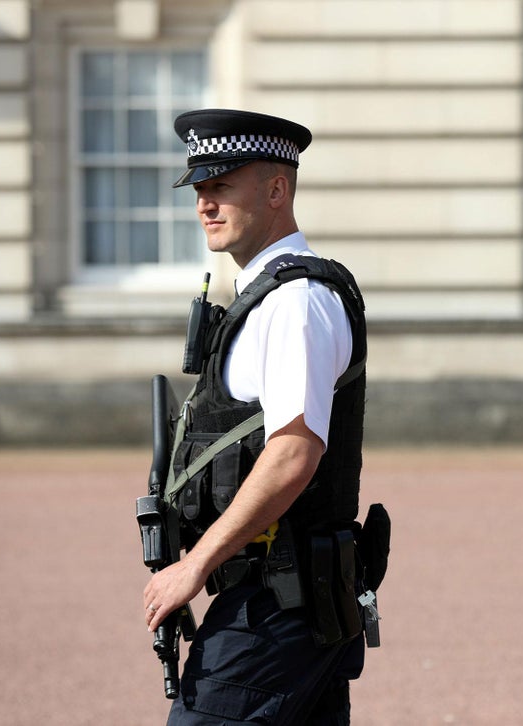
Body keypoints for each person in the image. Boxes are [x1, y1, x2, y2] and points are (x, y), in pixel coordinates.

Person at [142, 108, 374, 724]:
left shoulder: (295, 302)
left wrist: (195, 564)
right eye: (199, 190)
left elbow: (294, 453)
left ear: (277, 190)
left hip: (277, 603)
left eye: (220, 186)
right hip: (279, 594)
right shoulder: (263, 296)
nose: (204, 205)